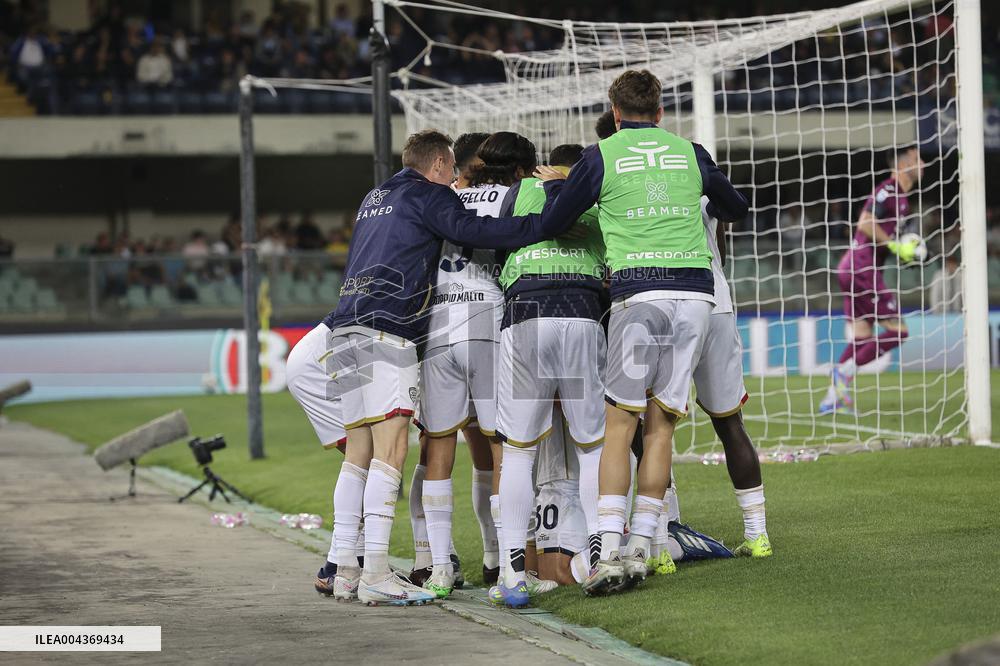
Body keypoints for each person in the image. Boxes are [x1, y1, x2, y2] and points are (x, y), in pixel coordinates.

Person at [324, 129, 571, 606]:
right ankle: (385, 570)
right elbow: (476, 232)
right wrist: (540, 225)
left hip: (347, 325)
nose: (453, 178)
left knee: (363, 450)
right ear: (439, 164)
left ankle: (350, 568)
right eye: (450, 169)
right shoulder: (432, 194)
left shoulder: (376, 196)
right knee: (399, 450)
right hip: (395, 327)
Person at [532, 69, 749, 595]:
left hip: (640, 295)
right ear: (660, 111)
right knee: (661, 427)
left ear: (614, 107)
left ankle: (607, 549)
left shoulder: (601, 156)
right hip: (696, 298)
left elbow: (554, 220)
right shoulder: (691, 153)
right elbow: (737, 208)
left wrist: (560, 186)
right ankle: (644, 545)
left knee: (619, 424)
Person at [491, 143, 608, 608]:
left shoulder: (517, 192)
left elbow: (498, 250)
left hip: (526, 314)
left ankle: (513, 572)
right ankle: (601, 555)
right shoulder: (597, 195)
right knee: (593, 445)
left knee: (518, 452)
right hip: (581, 314)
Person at [417, 131, 530, 599]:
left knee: (437, 449)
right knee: (500, 446)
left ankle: (439, 567)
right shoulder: (512, 195)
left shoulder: (440, 199)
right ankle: (506, 567)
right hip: (487, 322)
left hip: (438, 327)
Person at [819, 145, 925, 415]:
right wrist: (894, 245)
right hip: (861, 267)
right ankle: (845, 374)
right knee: (899, 332)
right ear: (903, 164)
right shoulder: (889, 189)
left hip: (852, 267)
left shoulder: (901, 199)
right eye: (917, 159)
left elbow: (881, 237)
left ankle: (833, 398)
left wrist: (904, 253)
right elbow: (865, 222)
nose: (923, 164)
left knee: (861, 339)